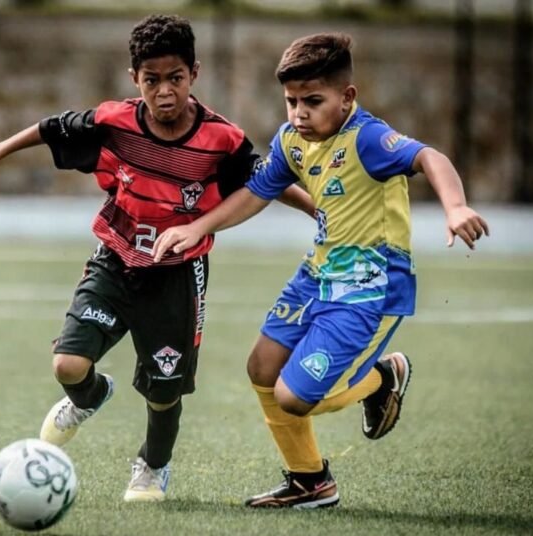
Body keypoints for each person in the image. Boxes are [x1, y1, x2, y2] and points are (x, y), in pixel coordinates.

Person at [0, 14, 313, 503]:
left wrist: (317, 207)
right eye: (151, 80)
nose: (164, 91)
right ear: (134, 79)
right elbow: (51, 128)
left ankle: (151, 468)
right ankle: (91, 397)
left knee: (164, 391)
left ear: (195, 74)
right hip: (114, 261)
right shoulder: (113, 123)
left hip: (178, 277)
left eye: (175, 79)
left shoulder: (220, 140)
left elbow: (264, 179)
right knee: (68, 365)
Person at [153, 32, 489, 508]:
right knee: (262, 367)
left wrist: (455, 207)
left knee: (294, 396)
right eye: (291, 101)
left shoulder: (369, 139)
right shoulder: (292, 140)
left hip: (370, 286)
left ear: (347, 96)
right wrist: (199, 228)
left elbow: (429, 157)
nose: (299, 114)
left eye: (313, 101)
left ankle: (382, 378)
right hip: (318, 273)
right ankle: (310, 482)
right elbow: (256, 193)